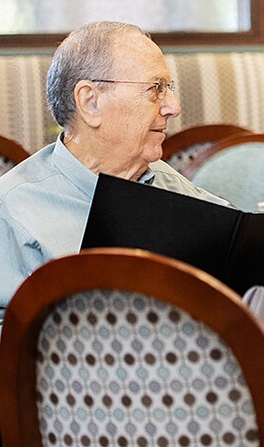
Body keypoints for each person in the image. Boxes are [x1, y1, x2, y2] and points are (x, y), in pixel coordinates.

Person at [0, 21, 229, 322]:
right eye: (156, 89)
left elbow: (240, 258)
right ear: (90, 101)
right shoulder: (12, 209)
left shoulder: (167, 183)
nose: (173, 107)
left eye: (168, 89)